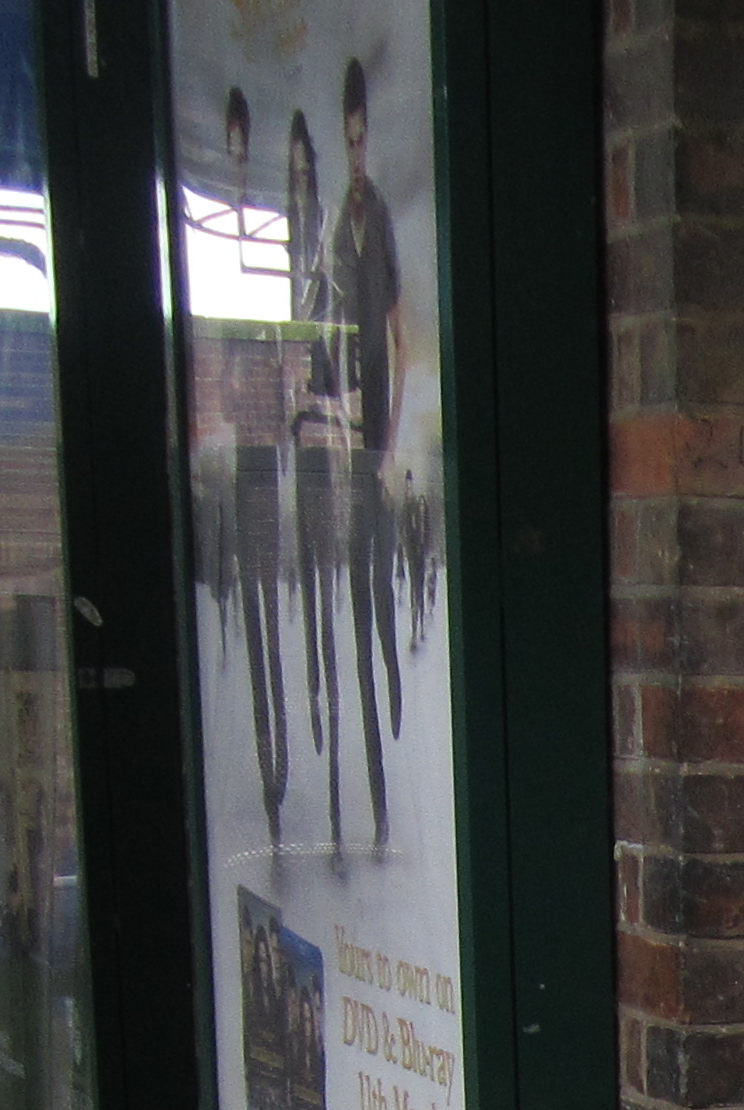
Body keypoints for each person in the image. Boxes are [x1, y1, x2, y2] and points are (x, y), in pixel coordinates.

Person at [327, 58, 404, 843]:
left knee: (376, 604)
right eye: (346, 140)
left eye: (360, 140)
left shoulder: (375, 216)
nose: (355, 154)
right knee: (346, 611)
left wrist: (384, 453)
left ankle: (386, 784)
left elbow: (398, 338)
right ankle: (359, 793)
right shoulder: (329, 230)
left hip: (371, 450)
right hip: (339, 450)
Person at [217, 87, 288, 826]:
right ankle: (272, 774)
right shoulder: (214, 253)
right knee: (261, 634)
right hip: (249, 479)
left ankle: (281, 772)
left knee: (280, 638)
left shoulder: (284, 250)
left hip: (281, 477)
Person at [283, 109, 346, 841]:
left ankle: (338, 801)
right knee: (318, 658)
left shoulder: (329, 285)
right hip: (312, 483)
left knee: (345, 653)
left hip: (343, 486)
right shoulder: (302, 289)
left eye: (308, 177)